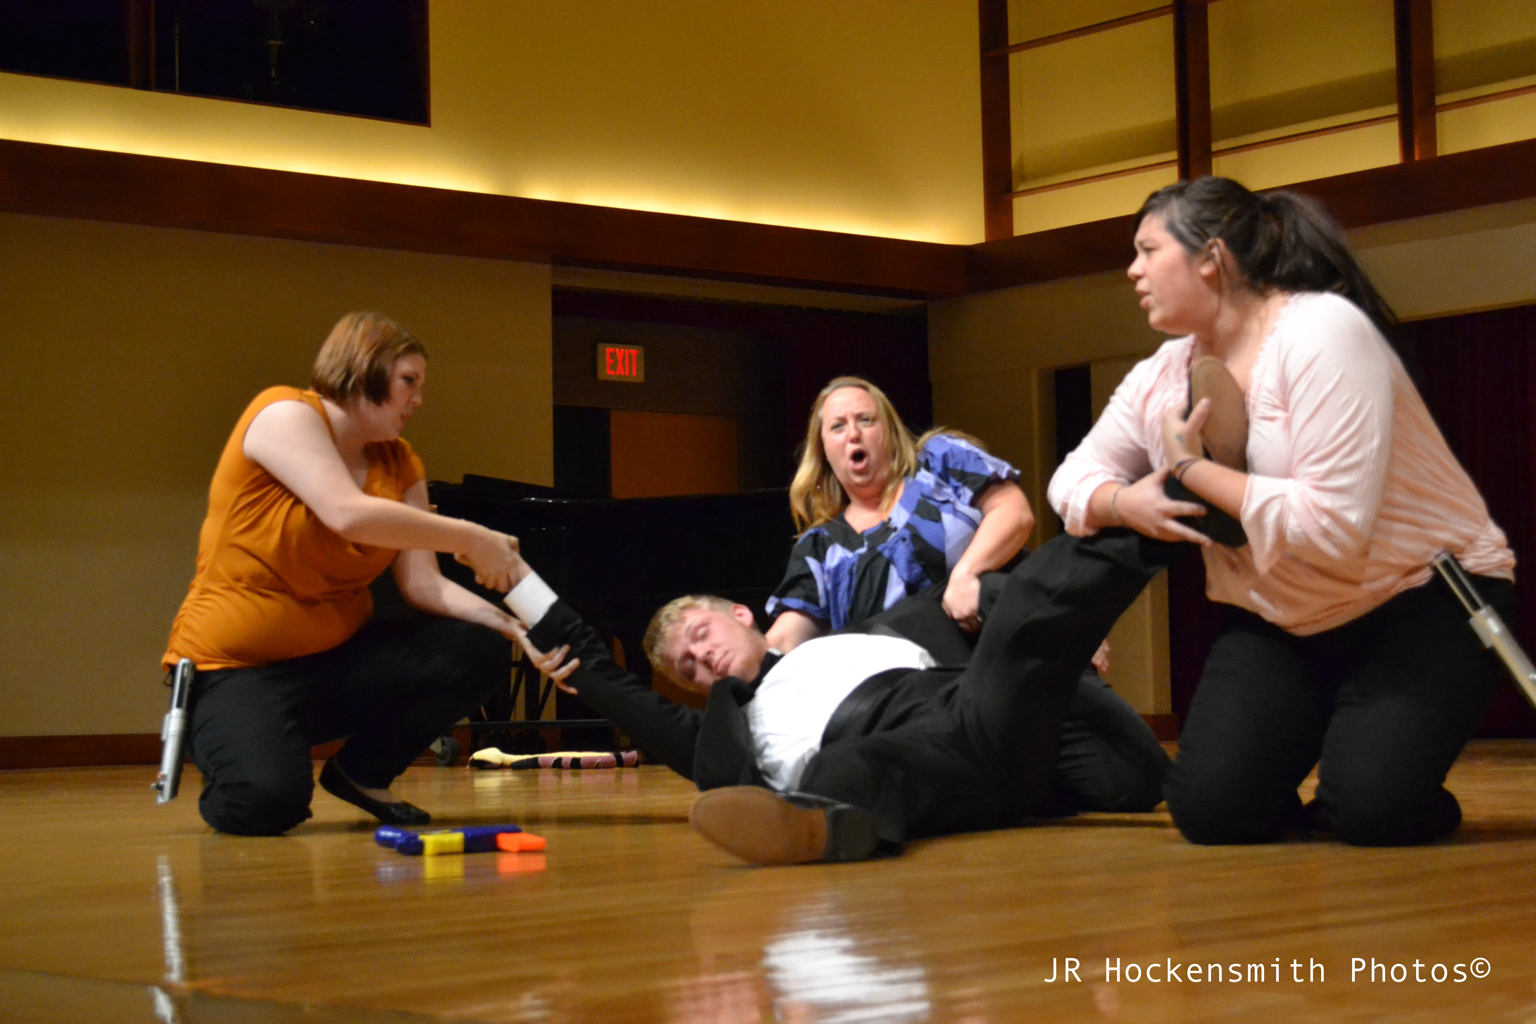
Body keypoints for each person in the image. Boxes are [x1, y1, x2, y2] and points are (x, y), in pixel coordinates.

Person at [1048, 176, 1516, 847]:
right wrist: (1125, 502)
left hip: (1418, 598)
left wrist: (1188, 471)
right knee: (1210, 813)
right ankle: (1343, 753)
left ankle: (1380, 777)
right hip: (1280, 617)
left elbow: (1333, 528)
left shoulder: (1322, 331)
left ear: (1210, 257)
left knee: (1373, 811)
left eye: (1148, 250)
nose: (1132, 269)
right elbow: (1071, 480)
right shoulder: (1160, 373)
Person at [503, 530, 1176, 866]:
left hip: (974, 710)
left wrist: (1069, 650)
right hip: (899, 758)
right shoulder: (732, 728)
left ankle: (1168, 509)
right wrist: (516, 581)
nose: (700, 658)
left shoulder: (878, 629)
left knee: (1033, 611)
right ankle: (816, 829)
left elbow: (985, 608)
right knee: (843, 770)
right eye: (687, 668)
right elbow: (600, 669)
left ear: (742, 613)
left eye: (700, 636)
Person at [162, 312, 526, 836]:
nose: (418, 400)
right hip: (235, 668)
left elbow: (423, 584)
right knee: (267, 804)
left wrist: (511, 627)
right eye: (409, 382)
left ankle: (362, 774)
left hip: (333, 666)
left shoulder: (401, 464)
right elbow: (346, 511)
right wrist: (470, 536)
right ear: (364, 369)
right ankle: (235, 747)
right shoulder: (282, 413)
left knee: (482, 646)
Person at [764, 377, 1033, 651]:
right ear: (824, 451)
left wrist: (967, 573)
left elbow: (1015, 512)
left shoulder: (939, 460)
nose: (853, 434)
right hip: (914, 687)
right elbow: (785, 639)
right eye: (838, 426)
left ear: (890, 432)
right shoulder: (820, 547)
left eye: (866, 420)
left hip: (1010, 645)